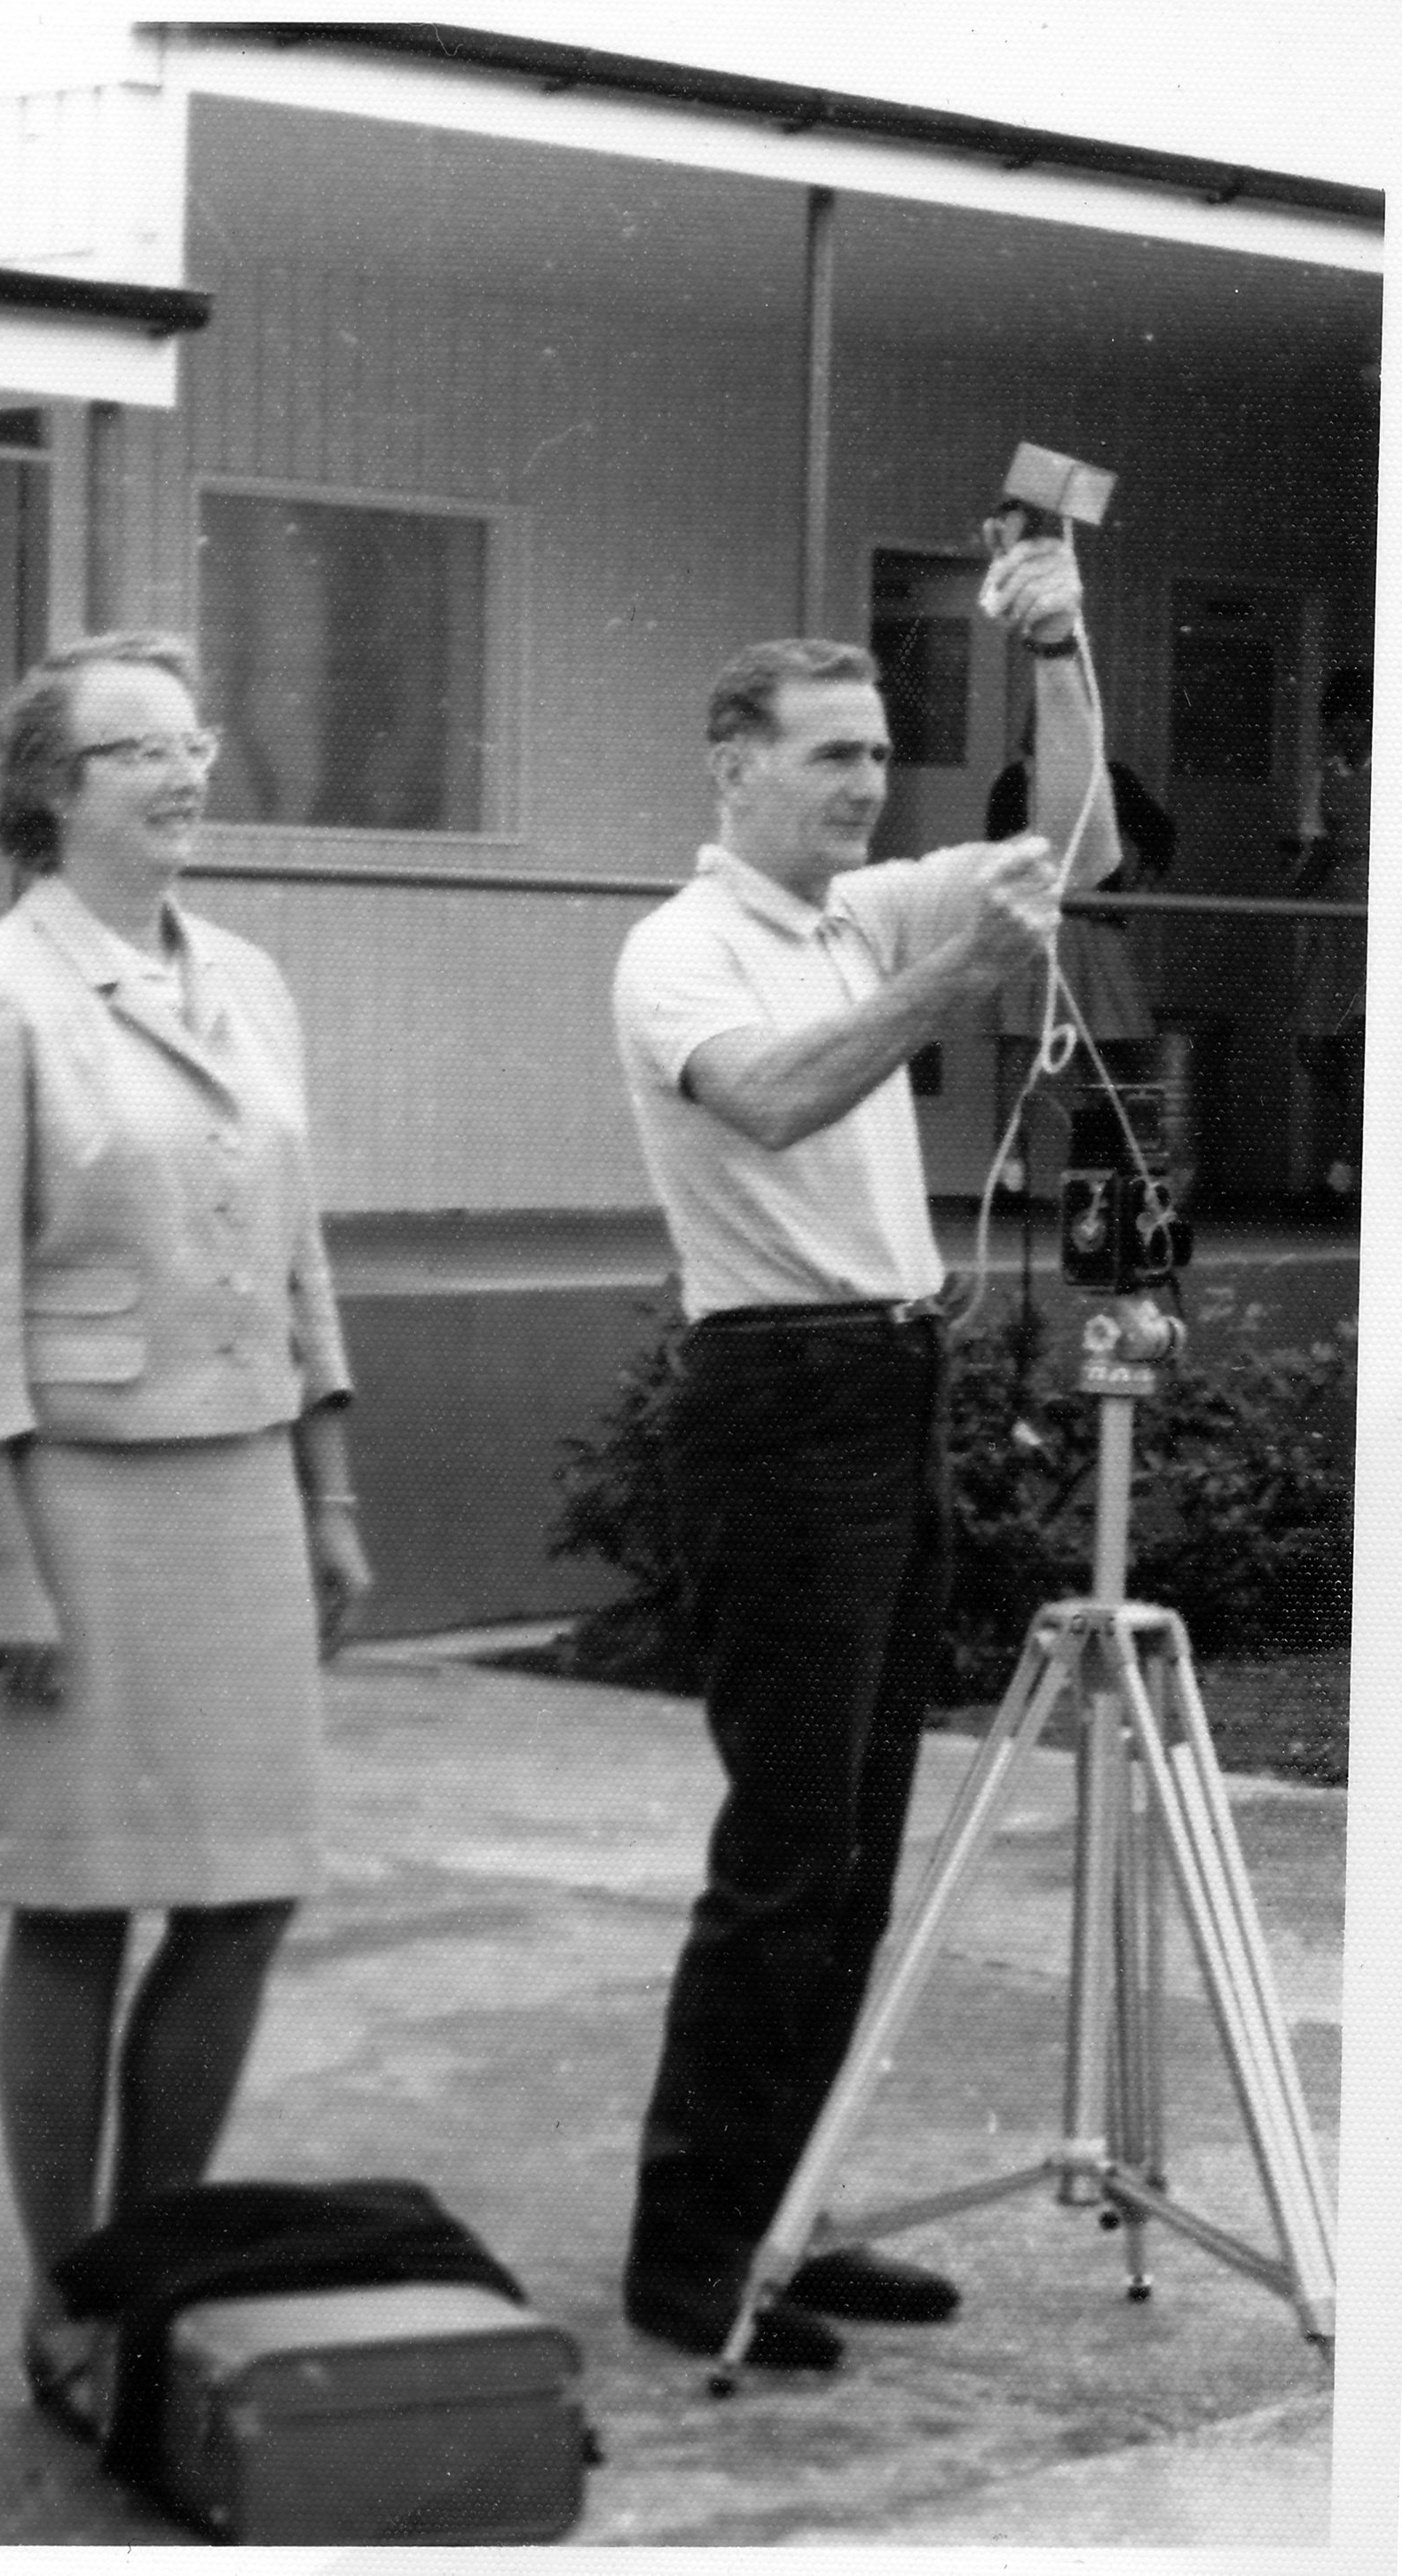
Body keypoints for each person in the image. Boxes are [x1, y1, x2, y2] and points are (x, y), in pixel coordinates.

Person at [611, 535, 1117, 2368]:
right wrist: (950, 981)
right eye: (829, 752)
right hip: (778, 1399)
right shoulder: (681, 948)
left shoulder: (856, 912)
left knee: (852, 1850)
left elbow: (1077, 849)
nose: (865, 782)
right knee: (785, 1851)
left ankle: (784, 2205)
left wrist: (1055, 647)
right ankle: (689, 2249)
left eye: (879, 751)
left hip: (887, 1379)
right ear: (731, 764)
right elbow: (771, 1096)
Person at [0, 632, 373, 2443]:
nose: (185, 772)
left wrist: (328, 1489)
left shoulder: (247, 976)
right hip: (75, 1499)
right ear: (50, 789)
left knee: (247, 1886)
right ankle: (66, 2293)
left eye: (193, 742)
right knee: (75, 1899)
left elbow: (300, 1250)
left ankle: (156, 2254)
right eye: (138, 751)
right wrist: (0, 1562)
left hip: (240, 1477)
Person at [987, 720, 1176, 1194]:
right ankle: (1010, 1174)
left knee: (1111, 1049)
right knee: (1020, 1047)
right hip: (1034, 926)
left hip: (1094, 927)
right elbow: (995, 857)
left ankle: (1124, 1173)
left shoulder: (1109, 778)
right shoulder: (1014, 782)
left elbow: (1160, 836)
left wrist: (1134, 897)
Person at [1292, 664, 1372, 1210]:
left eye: (1358, 718)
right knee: (1313, 1044)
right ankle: (1367, 1126)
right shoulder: (1326, 777)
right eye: (1339, 720)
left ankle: (1343, 1171)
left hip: (1376, 919)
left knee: (1359, 1043)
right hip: (1337, 921)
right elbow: (1318, 851)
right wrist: (1284, 897)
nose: (1348, 729)